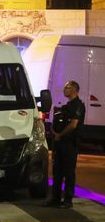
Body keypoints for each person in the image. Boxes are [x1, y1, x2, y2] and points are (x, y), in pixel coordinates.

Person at [44, 80, 85, 209]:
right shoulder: (67, 106)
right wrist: (54, 132)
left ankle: (68, 200)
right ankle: (55, 199)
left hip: (70, 144)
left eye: (67, 87)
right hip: (60, 144)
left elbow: (73, 124)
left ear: (74, 90)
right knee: (57, 172)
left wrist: (60, 135)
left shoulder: (78, 105)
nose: (64, 89)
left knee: (68, 173)